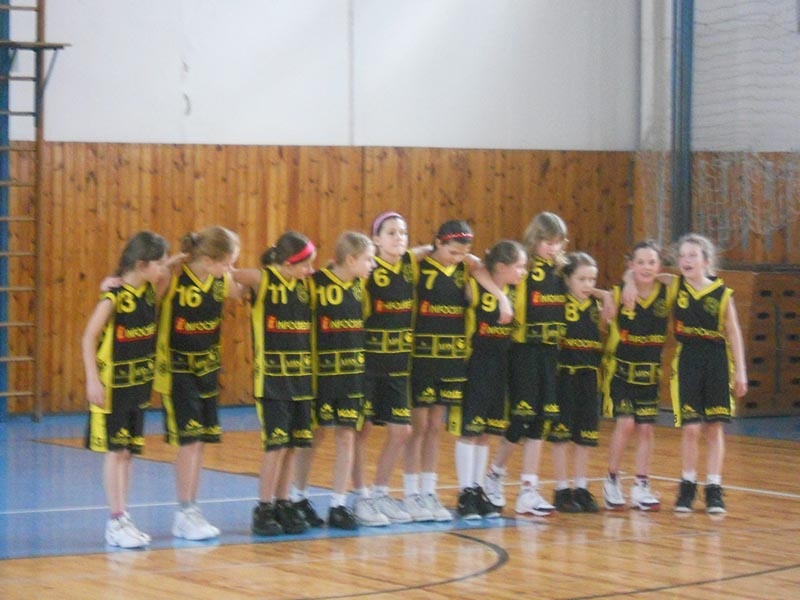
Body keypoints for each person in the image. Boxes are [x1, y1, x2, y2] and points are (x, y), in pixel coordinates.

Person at [154, 225, 243, 540]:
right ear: (207, 260)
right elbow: (143, 292)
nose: (231, 269)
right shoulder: (175, 279)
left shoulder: (221, 281)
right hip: (178, 371)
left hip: (207, 370)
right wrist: (166, 265)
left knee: (201, 442)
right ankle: (183, 511)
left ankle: (192, 508)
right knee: (189, 442)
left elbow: (243, 289)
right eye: (227, 263)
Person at [82, 231, 170, 549]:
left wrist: (171, 259)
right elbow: (88, 337)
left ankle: (124, 516)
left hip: (138, 385)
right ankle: (115, 519)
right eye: (158, 263)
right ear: (142, 264)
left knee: (128, 454)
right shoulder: (113, 298)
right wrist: (92, 380)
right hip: (113, 387)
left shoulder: (149, 291)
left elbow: (166, 272)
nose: (164, 269)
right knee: (115, 452)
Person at [483, 212, 568, 517]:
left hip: (549, 352)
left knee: (541, 421)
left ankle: (528, 489)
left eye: (557, 242)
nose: (552, 248)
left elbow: (586, 283)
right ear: (535, 239)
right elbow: (480, 269)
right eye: (547, 241)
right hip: (523, 351)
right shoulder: (524, 268)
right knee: (521, 418)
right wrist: (502, 299)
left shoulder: (562, 271)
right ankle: (494, 475)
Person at [234, 232, 317, 536]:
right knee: (276, 446)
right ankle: (264, 506)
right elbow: (229, 273)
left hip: (301, 379)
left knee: (293, 446)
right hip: (272, 380)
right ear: (288, 263)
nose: (311, 270)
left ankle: (284, 502)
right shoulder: (264, 279)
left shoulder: (306, 285)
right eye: (306, 265)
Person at [350, 212, 423, 525]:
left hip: (398, 363)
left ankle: (380, 492)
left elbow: (432, 252)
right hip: (369, 362)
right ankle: (361, 497)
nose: (399, 238)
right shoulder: (368, 270)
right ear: (376, 239)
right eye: (391, 232)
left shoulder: (409, 265)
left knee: (402, 430)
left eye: (403, 232)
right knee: (361, 431)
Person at [669, 233, 747, 514]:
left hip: (716, 360)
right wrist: (630, 281)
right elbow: (645, 278)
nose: (686, 260)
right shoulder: (674, 286)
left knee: (714, 427)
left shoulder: (722, 293)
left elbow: (733, 332)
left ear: (706, 260)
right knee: (691, 428)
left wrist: (741, 372)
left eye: (692, 255)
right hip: (688, 358)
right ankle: (687, 485)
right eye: (682, 255)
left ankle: (714, 487)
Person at [303, 231, 376, 530]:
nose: (373, 265)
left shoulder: (360, 286)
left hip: (352, 374)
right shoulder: (315, 283)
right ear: (350, 259)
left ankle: (338, 503)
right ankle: (298, 497)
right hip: (321, 374)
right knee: (314, 435)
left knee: (347, 435)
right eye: (368, 259)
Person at [404, 219, 476, 522]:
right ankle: (411, 494)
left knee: (436, 426)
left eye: (463, 253)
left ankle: (429, 491)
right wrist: (425, 249)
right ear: (438, 243)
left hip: (451, 358)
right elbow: (402, 258)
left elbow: (484, 269)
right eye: (452, 252)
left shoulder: (464, 270)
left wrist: (468, 259)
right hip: (422, 357)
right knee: (418, 426)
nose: (457, 258)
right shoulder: (420, 268)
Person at [453, 240, 527, 519]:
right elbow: (473, 264)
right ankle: (465, 493)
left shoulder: (516, 288)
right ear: (501, 267)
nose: (523, 271)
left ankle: (478, 488)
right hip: (476, 362)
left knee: (486, 432)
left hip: (501, 363)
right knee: (470, 430)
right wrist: (500, 297)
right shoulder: (476, 286)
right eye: (519, 266)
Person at [602, 240, 676, 511]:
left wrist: (632, 278)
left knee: (646, 428)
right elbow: (602, 303)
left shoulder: (666, 291)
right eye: (640, 262)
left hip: (650, 373)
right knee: (626, 424)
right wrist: (626, 282)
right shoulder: (618, 293)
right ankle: (611, 479)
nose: (647, 267)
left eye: (652, 262)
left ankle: (641, 484)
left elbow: (675, 278)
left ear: (659, 265)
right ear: (631, 264)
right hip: (621, 371)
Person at [548, 252, 606, 513]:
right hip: (564, 374)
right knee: (561, 434)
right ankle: (562, 489)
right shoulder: (559, 301)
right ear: (568, 279)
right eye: (581, 279)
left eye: (592, 279)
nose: (587, 284)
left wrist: (604, 295)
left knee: (585, 434)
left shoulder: (596, 305)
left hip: (589, 374)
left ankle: (581, 487)